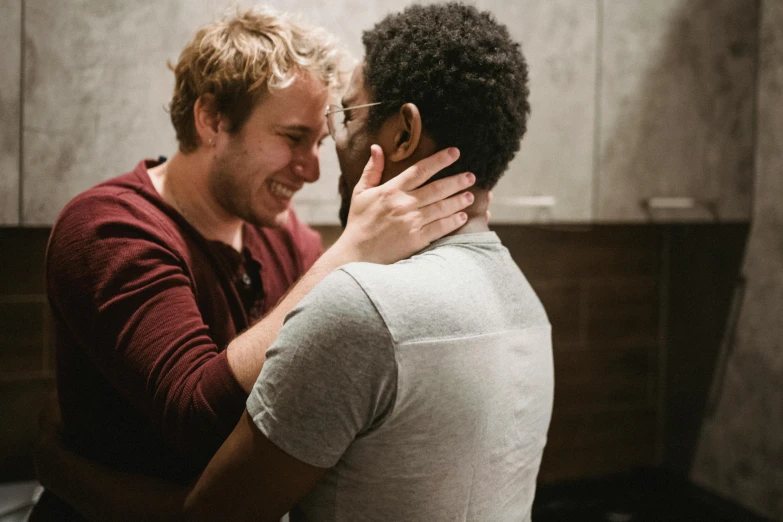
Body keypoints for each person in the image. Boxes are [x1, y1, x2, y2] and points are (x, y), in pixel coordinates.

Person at [36, 3, 553, 521]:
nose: (311, 169)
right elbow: (195, 422)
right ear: (212, 119)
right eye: (292, 138)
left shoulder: (284, 238)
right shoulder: (107, 228)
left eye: (322, 140)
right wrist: (350, 254)